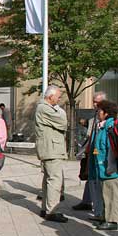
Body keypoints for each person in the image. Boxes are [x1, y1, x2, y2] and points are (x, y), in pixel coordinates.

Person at [35, 85, 68, 223]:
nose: (59, 99)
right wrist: (60, 111)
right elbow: (63, 122)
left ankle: (45, 208)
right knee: (55, 180)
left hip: (50, 148)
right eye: (58, 97)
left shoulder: (44, 107)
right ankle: (52, 211)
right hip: (51, 149)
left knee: (48, 179)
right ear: (50, 96)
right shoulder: (44, 108)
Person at [73, 91, 107, 214]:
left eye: (96, 102)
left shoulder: (107, 118)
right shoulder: (96, 116)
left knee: (100, 180)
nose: (94, 104)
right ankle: (87, 201)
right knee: (90, 176)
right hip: (91, 151)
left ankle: (101, 210)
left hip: (101, 154)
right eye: (93, 101)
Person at [91, 100, 118, 230]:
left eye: (99, 111)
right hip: (102, 167)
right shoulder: (103, 126)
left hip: (109, 168)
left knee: (111, 194)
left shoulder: (110, 127)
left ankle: (112, 220)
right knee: (105, 194)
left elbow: (111, 149)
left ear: (106, 113)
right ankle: (105, 217)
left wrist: (110, 167)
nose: (97, 113)